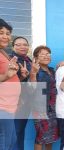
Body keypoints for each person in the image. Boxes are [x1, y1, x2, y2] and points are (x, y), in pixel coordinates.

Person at [29, 45, 59, 150]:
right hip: (40, 108)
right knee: (41, 136)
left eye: (48, 54)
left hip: (53, 108)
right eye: (42, 54)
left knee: (50, 136)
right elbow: (32, 89)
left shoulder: (52, 70)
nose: (46, 56)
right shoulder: (35, 71)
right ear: (36, 58)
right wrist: (33, 73)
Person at [0, 18, 21, 150]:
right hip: (2, 107)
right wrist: (6, 76)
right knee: (5, 143)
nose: (5, 36)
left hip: (9, 106)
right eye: (1, 32)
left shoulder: (3, 53)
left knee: (11, 141)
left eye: (8, 33)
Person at [12, 36, 32, 150]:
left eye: (25, 44)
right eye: (18, 44)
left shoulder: (27, 60)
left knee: (20, 132)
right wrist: (21, 76)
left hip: (26, 102)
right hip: (16, 102)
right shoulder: (12, 60)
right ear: (13, 46)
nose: (22, 47)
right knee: (15, 133)